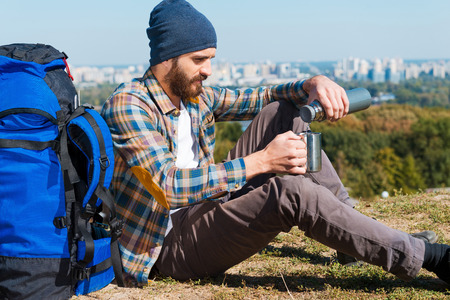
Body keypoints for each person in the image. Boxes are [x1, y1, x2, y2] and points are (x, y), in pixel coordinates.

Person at [101, 0, 449, 287]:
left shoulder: (193, 97)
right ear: (166, 59)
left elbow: (263, 96)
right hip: (167, 245)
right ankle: (430, 258)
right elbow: (168, 186)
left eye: (210, 59)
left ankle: (352, 242)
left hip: (203, 207)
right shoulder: (129, 105)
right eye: (198, 60)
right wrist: (263, 162)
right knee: (292, 192)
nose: (208, 70)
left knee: (283, 111)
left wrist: (313, 84)